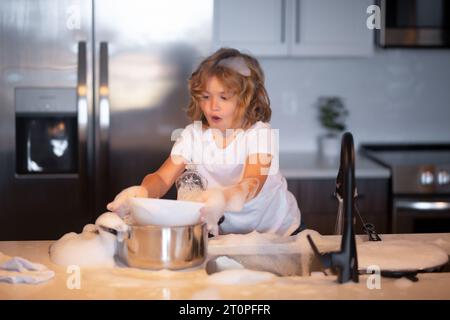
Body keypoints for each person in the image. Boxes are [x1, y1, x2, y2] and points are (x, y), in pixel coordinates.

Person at [107, 48, 303, 237]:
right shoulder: (193, 136)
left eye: (224, 97)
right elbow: (162, 178)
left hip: (276, 231)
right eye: (206, 97)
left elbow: (251, 183)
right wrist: (142, 192)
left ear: (247, 100)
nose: (212, 106)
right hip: (228, 234)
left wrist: (223, 198)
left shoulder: (260, 134)